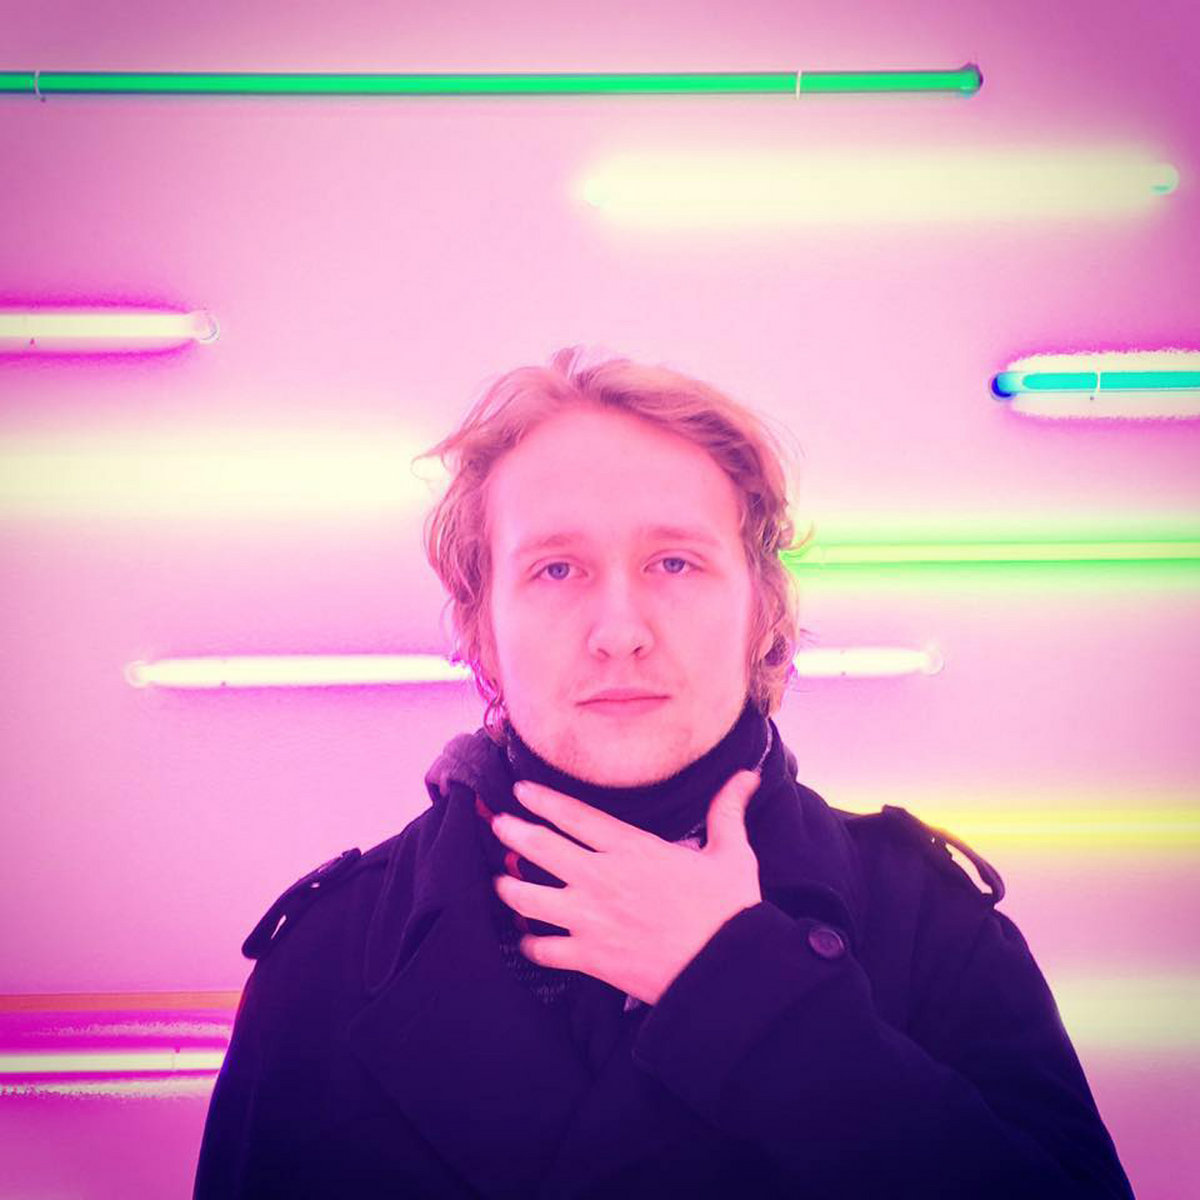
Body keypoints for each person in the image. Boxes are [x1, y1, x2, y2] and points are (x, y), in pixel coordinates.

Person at [193, 347, 1135, 1199]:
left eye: (675, 563)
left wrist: (745, 988)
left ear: (762, 608)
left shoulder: (930, 927)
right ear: (481, 626)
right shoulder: (324, 962)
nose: (620, 632)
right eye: (556, 570)